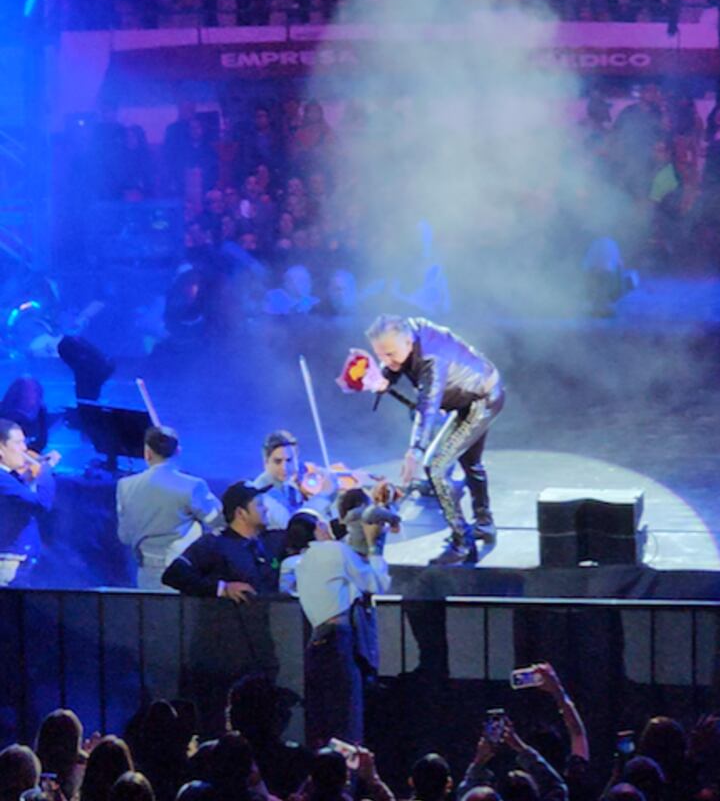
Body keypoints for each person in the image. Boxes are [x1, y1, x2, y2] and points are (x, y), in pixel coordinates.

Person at [366, 314, 504, 565]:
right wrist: (386, 377)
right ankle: (485, 523)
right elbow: (400, 367)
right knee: (470, 463)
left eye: (389, 354)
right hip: (474, 391)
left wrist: (415, 450)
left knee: (436, 468)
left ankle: (462, 542)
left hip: (481, 399)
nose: (385, 360)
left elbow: (428, 406)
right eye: (380, 356)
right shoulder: (410, 331)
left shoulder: (431, 359)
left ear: (408, 342)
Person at [287, 509, 390, 744]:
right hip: (338, 644)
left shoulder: (304, 563)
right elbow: (376, 582)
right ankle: (347, 778)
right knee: (347, 725)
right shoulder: (333, 551)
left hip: (316, 644)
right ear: (317, 529)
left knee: (322, 726)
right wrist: (376, 546)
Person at [116, 425, 223, 591]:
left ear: (147, 453)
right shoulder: (193, 486)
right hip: (183, 573)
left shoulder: (125, 486)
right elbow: (219, 522)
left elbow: (125, 536)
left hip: (146, 575)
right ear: (178, 451)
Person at [161, 481, 284, 598]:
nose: (266, 509)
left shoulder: (270, 541)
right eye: (259, 505)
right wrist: (221, 588)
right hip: (226, 617)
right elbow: (174, 574)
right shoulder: (214, 544)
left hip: (266, 617)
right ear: (241, 513)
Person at [0, 418, 57, 586]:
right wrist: (46, 470)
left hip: (17, 560)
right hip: (7, 564)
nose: (24, 449)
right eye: (18, 443)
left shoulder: (8, 477)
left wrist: (28, 474)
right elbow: (41, 504)